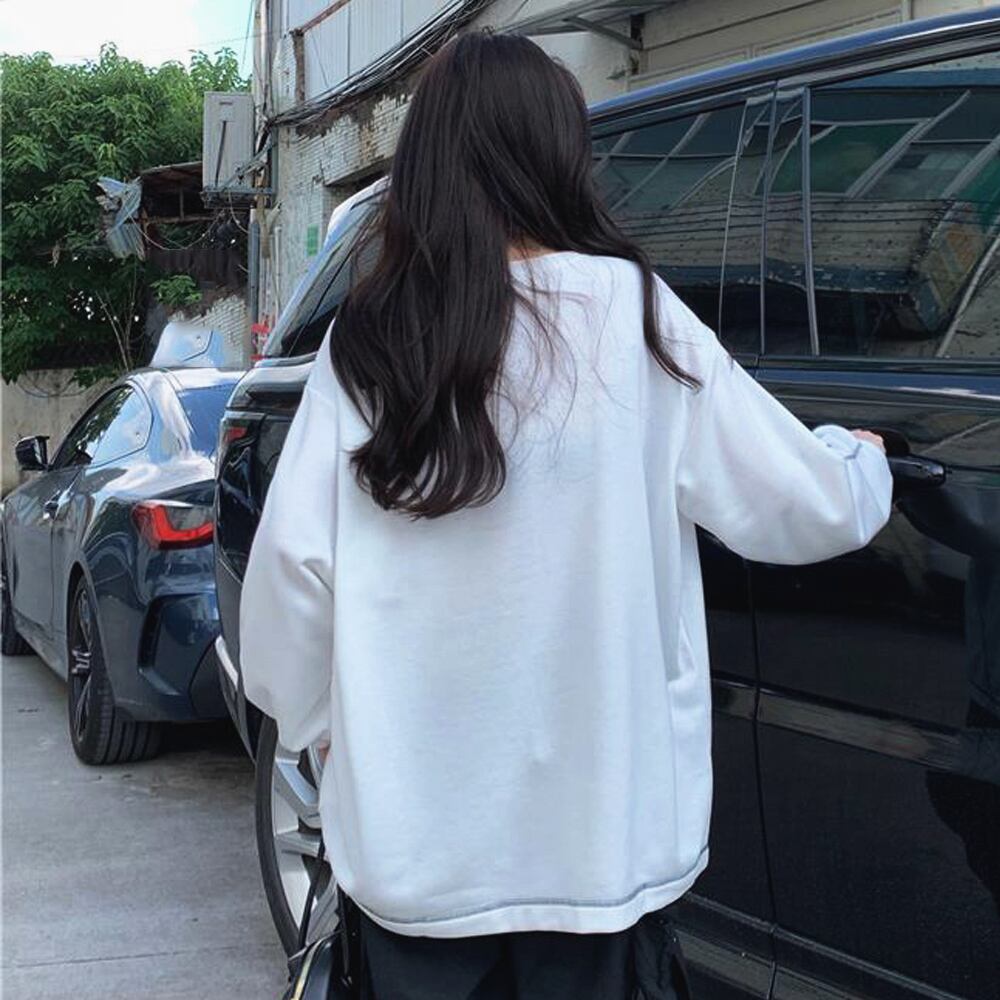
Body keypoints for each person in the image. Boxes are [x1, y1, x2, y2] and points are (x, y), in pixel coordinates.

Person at [239, 29, 892, 1000]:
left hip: (420, 871)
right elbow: (795, 503)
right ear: (556, 156)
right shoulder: (633, 316)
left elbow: (292, 581)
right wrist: (861, 461)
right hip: (602, 862)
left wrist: (326, 728)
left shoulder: (372, 339)